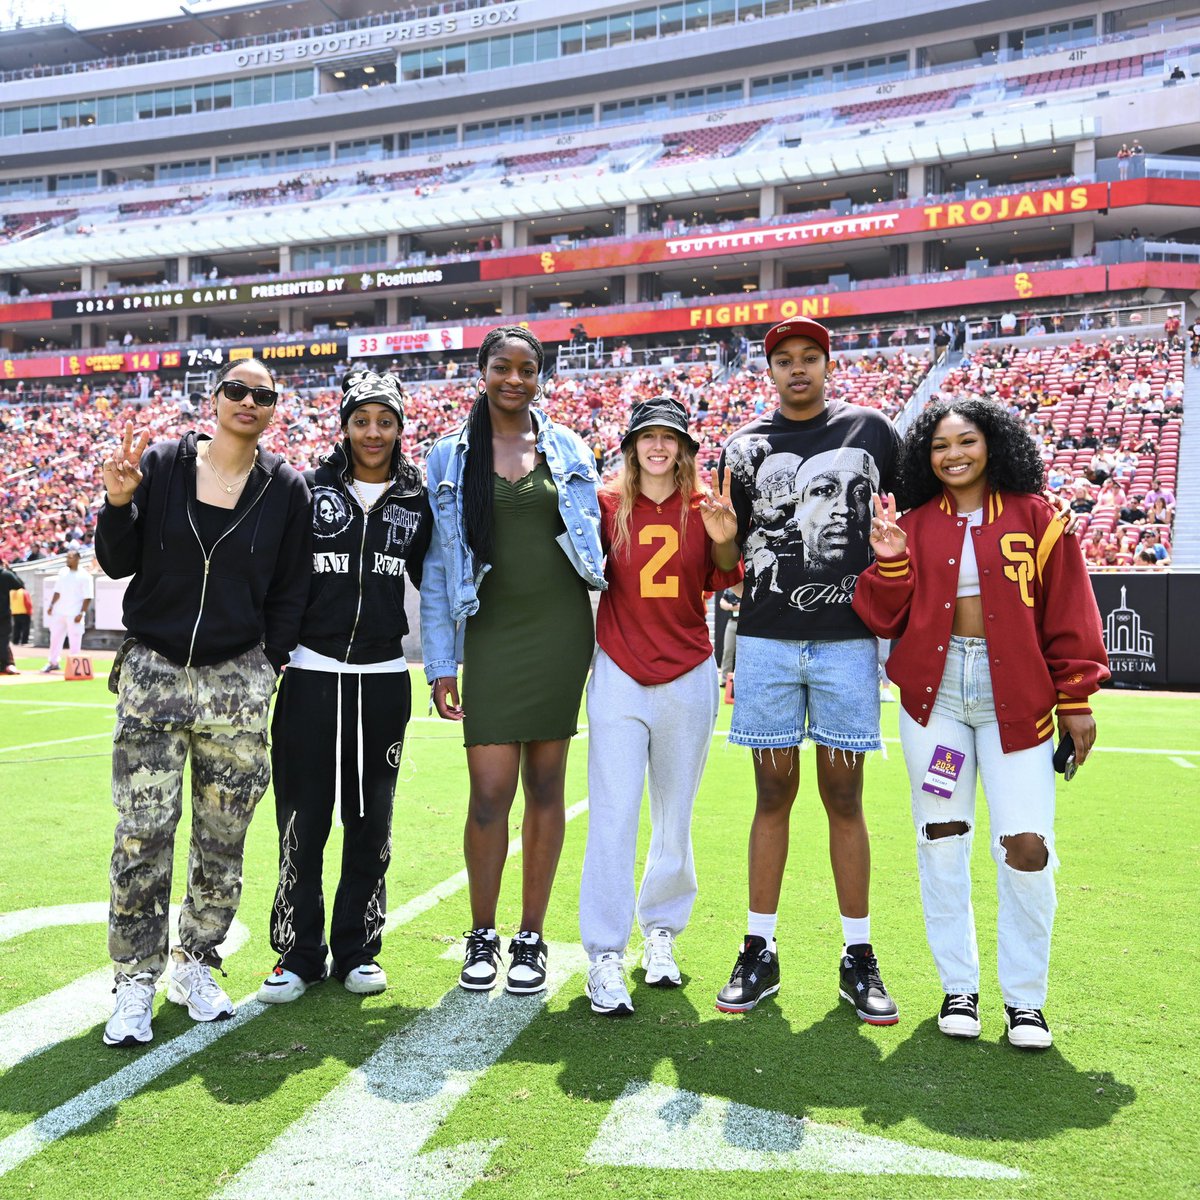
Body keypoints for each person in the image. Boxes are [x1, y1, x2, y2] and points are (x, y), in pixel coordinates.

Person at [853, 398, 1108, 1049]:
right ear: (925, 457)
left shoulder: (1038, 517)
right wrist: (887, 562)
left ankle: (1025, 1001)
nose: (953, 455)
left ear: (992, 444)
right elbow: (882, 617)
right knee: (942, 834)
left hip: (1015, 704)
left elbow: (1070, 613)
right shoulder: (910, 524)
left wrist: (1076, 698)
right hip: (936, 705)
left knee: (1028, 845)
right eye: (940, 446)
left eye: (965, 441)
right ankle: (958, 988)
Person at [95, 359, 311, 1048]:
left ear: (274, 408)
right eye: (238, 390)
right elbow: (116, 561)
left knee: (223, 839)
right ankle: (134, 977)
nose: (250, 402)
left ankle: (198, 961)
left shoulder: (286, 489)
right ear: (215, 398)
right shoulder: (160, 464)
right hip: (154, 673)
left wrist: (266, 664)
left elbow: (291, 587)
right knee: (142, 832)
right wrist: (118, 503)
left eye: (264, 395)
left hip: (236, 682)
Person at [714, 317, 901, 1023]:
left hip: (847, 641)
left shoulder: (873, 432)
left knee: (845, 799)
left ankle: (859, 956)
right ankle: (758, 947)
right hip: (764, 640)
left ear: (828, 364)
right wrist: (729, 547)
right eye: (784, 360)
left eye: (809, 358)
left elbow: (910, 517)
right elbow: (731, 564)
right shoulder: (744, 446)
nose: (798, 369)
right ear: (769, 371)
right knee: (770, 796)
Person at [422, 326, 605, 995]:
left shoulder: (567, 446)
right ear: (482, 371)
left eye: (528, 369)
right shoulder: (447, 455)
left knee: (548, 786)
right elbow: (442, 571)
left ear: (540, 378)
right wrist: (443, 663)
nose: (515, 380)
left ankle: (530, 936)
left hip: (559, 630)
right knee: (490, 792)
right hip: (491, 633)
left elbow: (595, 538)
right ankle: (482, 932)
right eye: (503, 367)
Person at [258, 370, 431, 1005]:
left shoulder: (417, 501)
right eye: (363, 419)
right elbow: (277, 577)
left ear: (399, 427)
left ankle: (357, 948)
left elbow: (435, 582)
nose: (374, 432)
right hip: (309, 674)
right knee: (303, 819)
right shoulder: (307, 490)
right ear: (345, 425)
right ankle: (298, 952)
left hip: (383, 680)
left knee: (371, 823)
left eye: (385, 420)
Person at [579, 398, 741, 1015]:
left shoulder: (706, 508)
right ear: (631, 445)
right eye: (646, 436)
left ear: (683, 448)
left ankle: (663, 934)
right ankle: (604, 953)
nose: (657, 446)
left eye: (668, 437)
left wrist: (726, 542)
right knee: (614, 815)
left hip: (688, 672)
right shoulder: (604, 503)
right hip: (619, 670)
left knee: (675, 816)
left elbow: (725, 576)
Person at [41, 548, 93, 672]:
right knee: (55, 638)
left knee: (74, 639)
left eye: (70, 557)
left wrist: (82, 613)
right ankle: (53, 662)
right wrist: (51, 605)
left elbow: (88, 597)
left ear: (77, 559)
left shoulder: (85, 576)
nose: (67, 560)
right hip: (59, 611)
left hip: (74, 612)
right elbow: (57, 591)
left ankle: (75, 666)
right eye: (67, 557)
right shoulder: (62, 572)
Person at [719, 581, 742, 687]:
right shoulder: (730, 587)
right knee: (728, 650)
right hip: (732, 621)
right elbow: (722, 602)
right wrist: (730, 606)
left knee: (743, 654)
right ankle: (724, 680)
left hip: (746, 623)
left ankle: (741, 680)